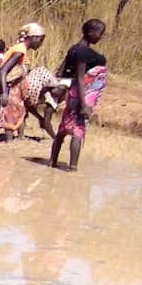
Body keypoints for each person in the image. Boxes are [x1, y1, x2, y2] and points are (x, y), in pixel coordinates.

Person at [0, 23, 47, 159]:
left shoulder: (20, 49)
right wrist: (3, 93)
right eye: (40, 39)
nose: (41, 43)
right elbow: (3, 71)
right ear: (33, 37)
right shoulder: (20, 50)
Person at [49, 19, 109, 171]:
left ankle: (52, 162)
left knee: (63, 128)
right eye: (99, 34)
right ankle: (73, 167)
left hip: (74, 93)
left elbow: (61, 72)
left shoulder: (74, 49)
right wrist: (84, 105)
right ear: (90, 32)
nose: (100, 37)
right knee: (78, 130)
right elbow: (82, 79)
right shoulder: (83, 52)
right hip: (83, 95)